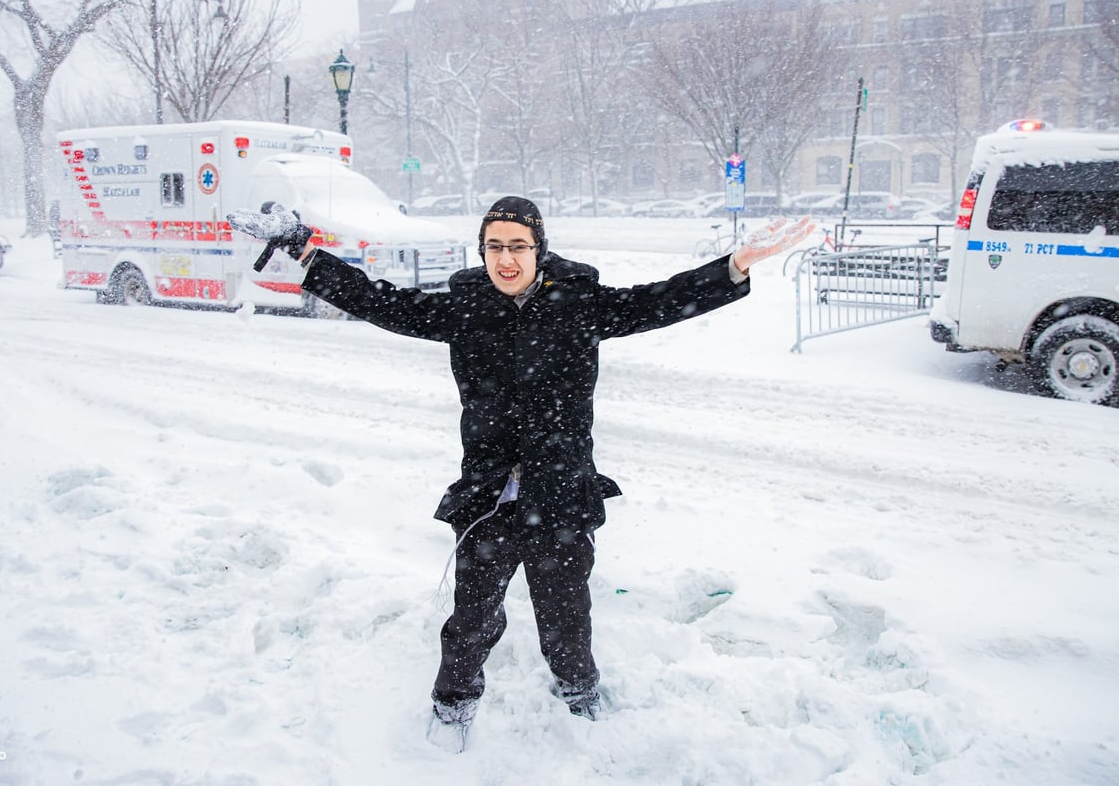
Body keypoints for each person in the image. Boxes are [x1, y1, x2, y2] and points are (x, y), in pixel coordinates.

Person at [227, 196, 812, 751]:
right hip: (488, 496)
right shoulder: (465, 307)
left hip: (560, 493)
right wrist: (304, 249)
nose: (506, 258)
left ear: (539, 249)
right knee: (472, 616)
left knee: (567, 612)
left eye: (518, 245)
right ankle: (454, 700)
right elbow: (385, 303)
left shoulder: (580, 303)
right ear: (482, 252)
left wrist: (734, 266)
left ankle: (578, 691)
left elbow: (657, 300)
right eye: (494, 246)